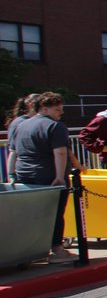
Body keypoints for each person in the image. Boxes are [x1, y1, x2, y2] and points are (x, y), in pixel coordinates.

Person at [11, 92, 73, 263]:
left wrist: (12, 174)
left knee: (31, 215)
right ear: (44, 108)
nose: (60, 112)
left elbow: (14, 152)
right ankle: (56, 249)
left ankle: (30, 250)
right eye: (57, 109)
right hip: (49, 176)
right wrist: (60, 176)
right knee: (54, 213)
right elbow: (60, 152)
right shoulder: (55, 126)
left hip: (25, 176)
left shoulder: (21, 125)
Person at [5, 92, 42, 182]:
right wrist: (11, 174)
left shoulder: (27, 122)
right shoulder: (19, 123)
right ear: (31, 105)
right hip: (22, 170)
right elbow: (13, 151)